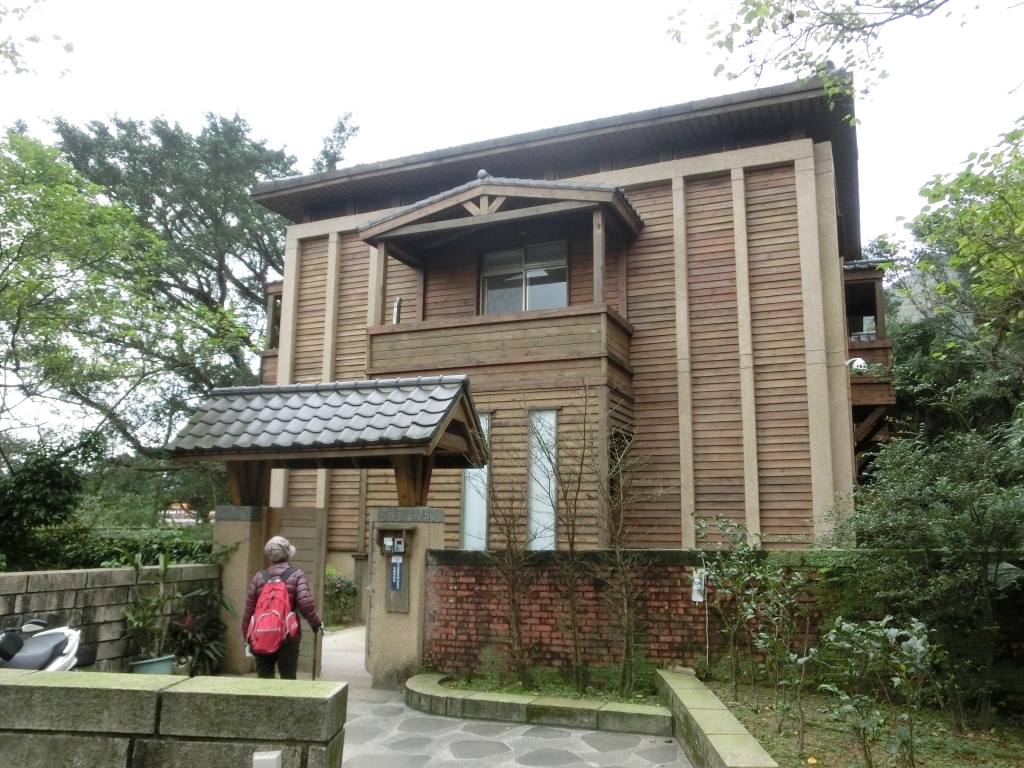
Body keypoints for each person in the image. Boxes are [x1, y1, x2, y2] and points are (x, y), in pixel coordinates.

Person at [242, 536, 322, 679]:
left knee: (264, 682)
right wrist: (315, 623)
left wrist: (246, 639)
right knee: (288, 679)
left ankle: (266, 701)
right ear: (287, 555)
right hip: (287, 636)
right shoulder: (297, 575)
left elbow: (249, 610)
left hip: (261, 635)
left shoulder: (259, 577)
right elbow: (305, 604)